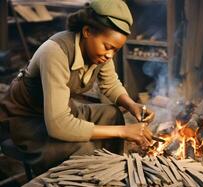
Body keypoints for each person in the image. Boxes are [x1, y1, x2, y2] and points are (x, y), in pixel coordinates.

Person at [0, 0, 155, 174]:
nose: (109, 55)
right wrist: (122, 131)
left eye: (115, 51)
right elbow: (58, 125)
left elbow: (110, 84)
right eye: (108, 47)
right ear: (87, 31)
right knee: (84, 150)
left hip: (57, 112)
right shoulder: (55, 52)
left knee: (112, 114)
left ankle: (111, 172)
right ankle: (89, 181)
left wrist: (132, 105)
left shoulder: (100, 53)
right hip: (26, 122)